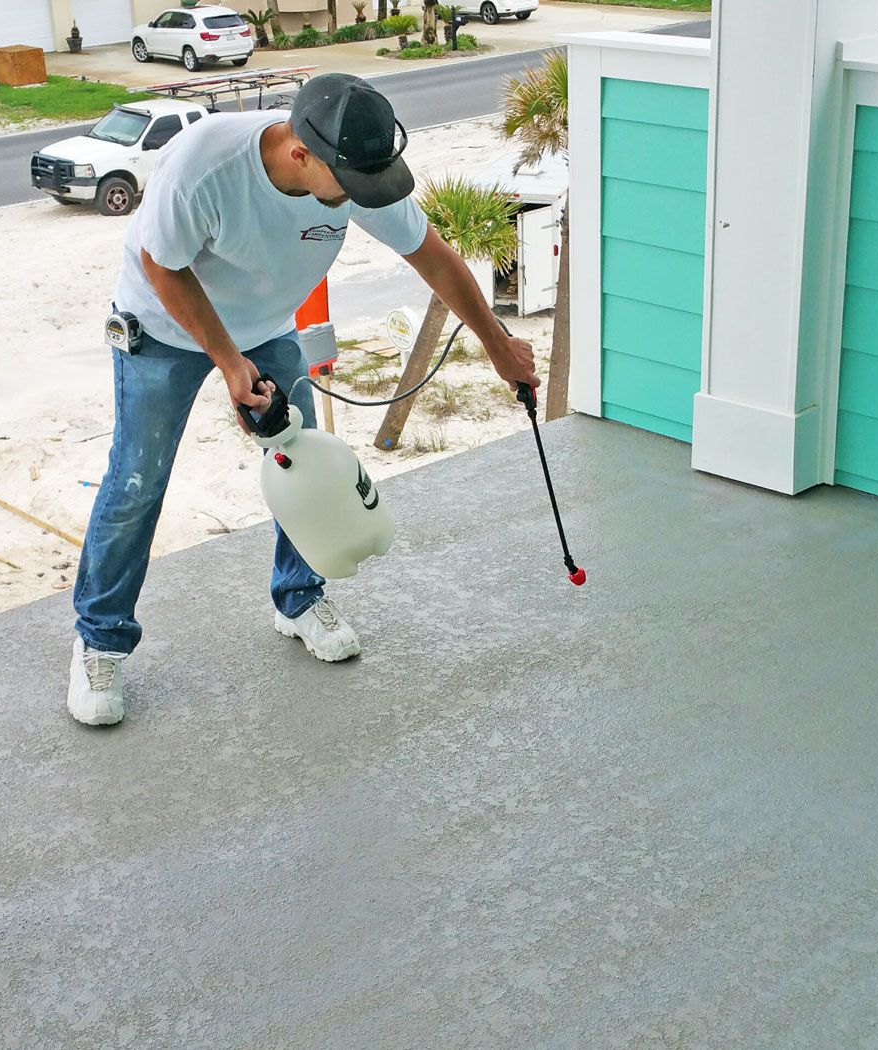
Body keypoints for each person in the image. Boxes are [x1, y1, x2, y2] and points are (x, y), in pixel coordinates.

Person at [66, 72, 539, 726]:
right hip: (163, 325)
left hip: (265, 327)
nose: (361, 200)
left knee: (306, 463)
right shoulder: (206, 167)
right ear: (300, 155)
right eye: (349, 187)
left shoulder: (355, 172)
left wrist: (498, 345)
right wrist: (228, 364)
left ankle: (297, 597)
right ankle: (100, 637)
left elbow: (434, 259)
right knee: (137, 481)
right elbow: (160, 264)